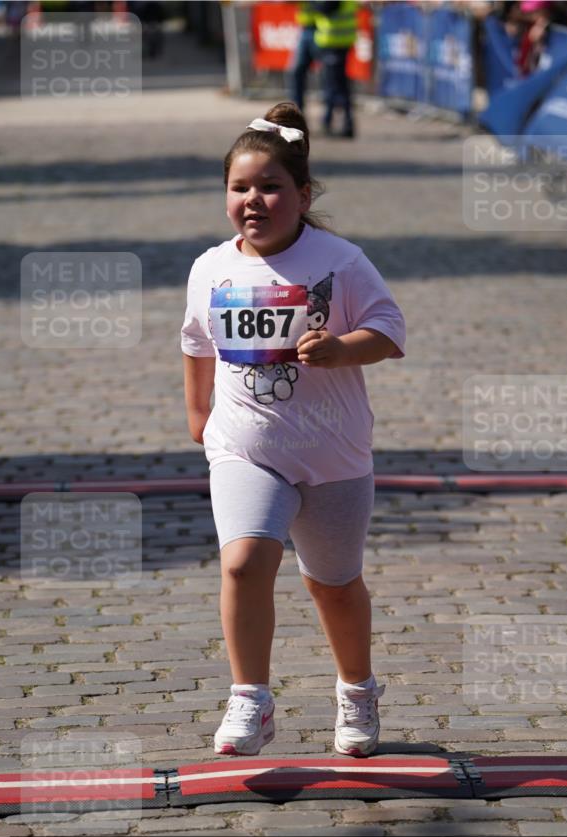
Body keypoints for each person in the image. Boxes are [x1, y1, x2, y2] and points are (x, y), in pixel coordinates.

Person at [181, 102, 406, 758]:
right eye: (239, 187)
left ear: (302, 196)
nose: (254, 199)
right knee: (245, 562)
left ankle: (357, 691)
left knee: (332, 585)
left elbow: (389, 330)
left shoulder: (338, 260)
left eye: (270, 187)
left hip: (332, 450)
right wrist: (199, 414)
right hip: (245, 445)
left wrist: (341, 348)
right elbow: (196, 341)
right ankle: (249, 698)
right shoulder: (210, 268)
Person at [313, 1, 358, 137]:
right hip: (338, 42)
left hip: (335, 42)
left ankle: (338, 122)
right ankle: (337, 122)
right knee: (337, 85)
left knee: (335, 86)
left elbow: (325, 8)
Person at [290, 2, 319, 113]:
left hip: (324, 28)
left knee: (329, 76)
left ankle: (329, 117)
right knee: (296, 71)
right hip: (306, 29)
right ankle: (296, 113)